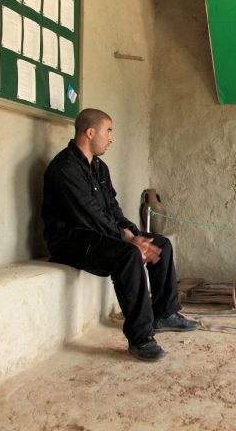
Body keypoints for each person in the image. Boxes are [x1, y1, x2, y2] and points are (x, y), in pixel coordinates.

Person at [42, 108, 198, 362]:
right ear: (90, 132)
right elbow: (88, 215)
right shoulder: (64, 168)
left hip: (99, 234)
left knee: (161, 244)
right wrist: (128, 240)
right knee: (127, 254)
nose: (111, 138)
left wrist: (136, 234)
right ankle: (140, 338)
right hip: (70, 241)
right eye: (108, 131)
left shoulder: (99, 167)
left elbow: (112, 209)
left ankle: (165, 313)